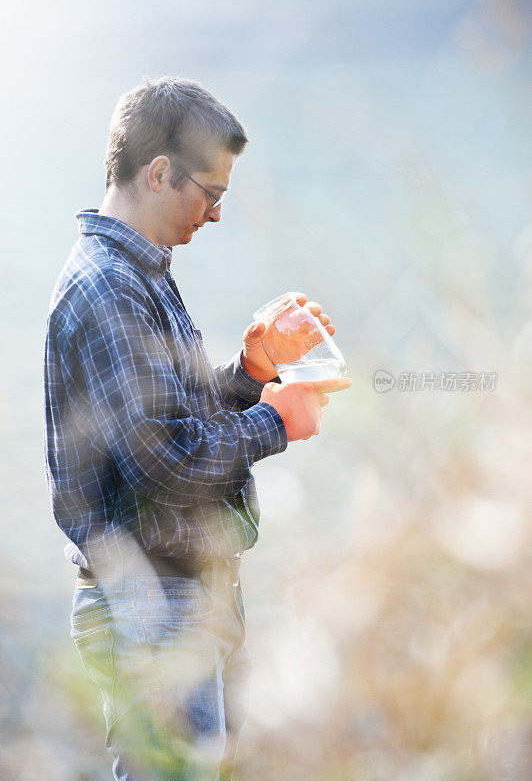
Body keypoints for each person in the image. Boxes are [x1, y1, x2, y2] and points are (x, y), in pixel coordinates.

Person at [44, 76, 350, 781]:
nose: (214, 215)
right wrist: (275, 420)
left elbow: (161, 424)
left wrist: (248, 373)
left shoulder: (136, 276)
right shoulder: (109, 287)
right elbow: (166, 464)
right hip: (153, 607)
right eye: (210, 194)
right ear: (158, 173)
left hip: (180, 603)